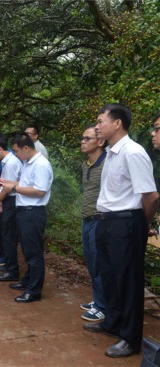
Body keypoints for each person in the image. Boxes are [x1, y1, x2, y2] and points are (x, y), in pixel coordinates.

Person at [83, 104, 158, 358]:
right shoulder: (112, 153)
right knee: (110, 277)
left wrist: (141, 225)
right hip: (106, 221)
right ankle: (113, 322)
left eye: (100, 121)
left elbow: (150, 195)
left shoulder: (133, 152)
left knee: (128, 282)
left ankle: (130, 338)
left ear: (117, 124)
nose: (96, 126)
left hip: (126, 222)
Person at [0, 133, 53, 303]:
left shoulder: (41, 165)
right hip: (24, 211)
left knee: (33, 253)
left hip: (33, 212)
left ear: (26, 148)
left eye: (16, 151)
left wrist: (13, 188)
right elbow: (26, 185)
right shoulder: (27, 163)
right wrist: (10, 183)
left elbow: (39, 190)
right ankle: (28, 280)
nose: (15, 155)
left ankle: (34, 290)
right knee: (27, 250)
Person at [79, 126, 107, 322]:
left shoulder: (108, 163)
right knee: (91, 263)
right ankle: (98, 300)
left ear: (100, 142)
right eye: (82, 138)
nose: (82, 141)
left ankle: (103, 306)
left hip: (101, 220)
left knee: (100, 265)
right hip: (87, 219)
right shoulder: (85, 164)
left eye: (87, 138)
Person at [0, 135, 22, 280]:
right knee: (6, 235)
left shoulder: (10, 163)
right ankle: (8, 264)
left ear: (0, 149)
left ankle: (12, 270)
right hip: (8, 200)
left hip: (12, 201)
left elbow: (9, 188)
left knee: (9, 236)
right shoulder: (6, 161)